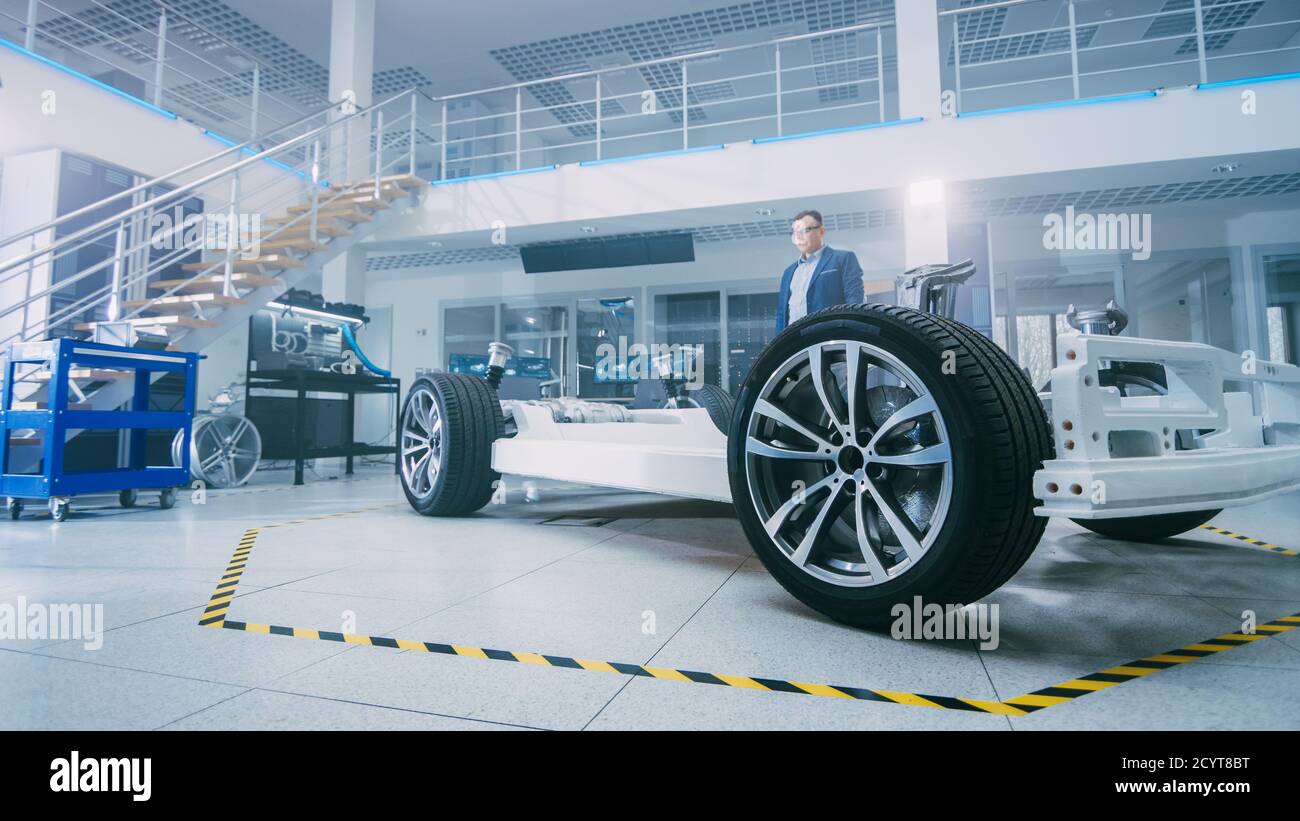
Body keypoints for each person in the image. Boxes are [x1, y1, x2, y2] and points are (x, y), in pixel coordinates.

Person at [775, 209, 865, 332]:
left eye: (805, 230)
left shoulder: (843, 259)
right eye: (795, 232)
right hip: (795, 342)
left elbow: (854, 302)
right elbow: (782, 314)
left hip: (830, 338)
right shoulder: (789, 272)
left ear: (821, 231)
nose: (799, 237)